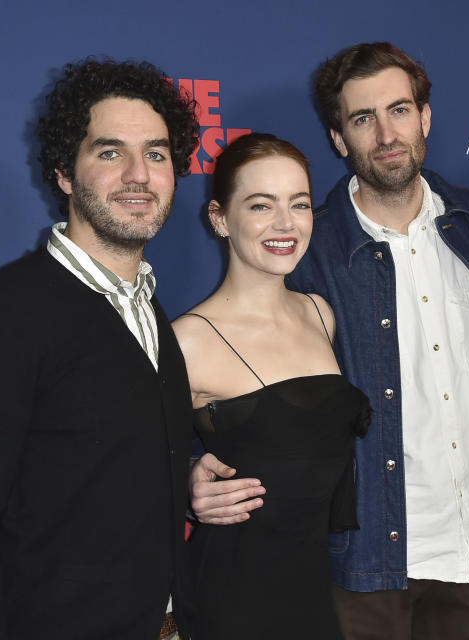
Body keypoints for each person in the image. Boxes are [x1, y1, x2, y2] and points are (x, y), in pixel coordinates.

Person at [190, 42, 469, 640]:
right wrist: (195, 469)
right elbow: (255, 382)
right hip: (365, 560)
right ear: (338, 138)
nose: (385, 133)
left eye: (399, 110)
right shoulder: (310, 249)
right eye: (362, 118)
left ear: (425, 117)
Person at [0, 59, 199, 640]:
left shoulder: (149, 311)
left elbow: (94, 468)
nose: (138, 175)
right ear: (64, 174)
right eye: (108, 152)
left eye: (155, 153)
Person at [172, 133, 370, 639]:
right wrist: (187, 477)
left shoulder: (320, 314)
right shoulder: (187, 340)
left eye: (299, 204)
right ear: (219, 218)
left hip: (315, 592)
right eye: (262, 205)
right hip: (231, 599)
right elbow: (126, 467)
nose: (286, 224)